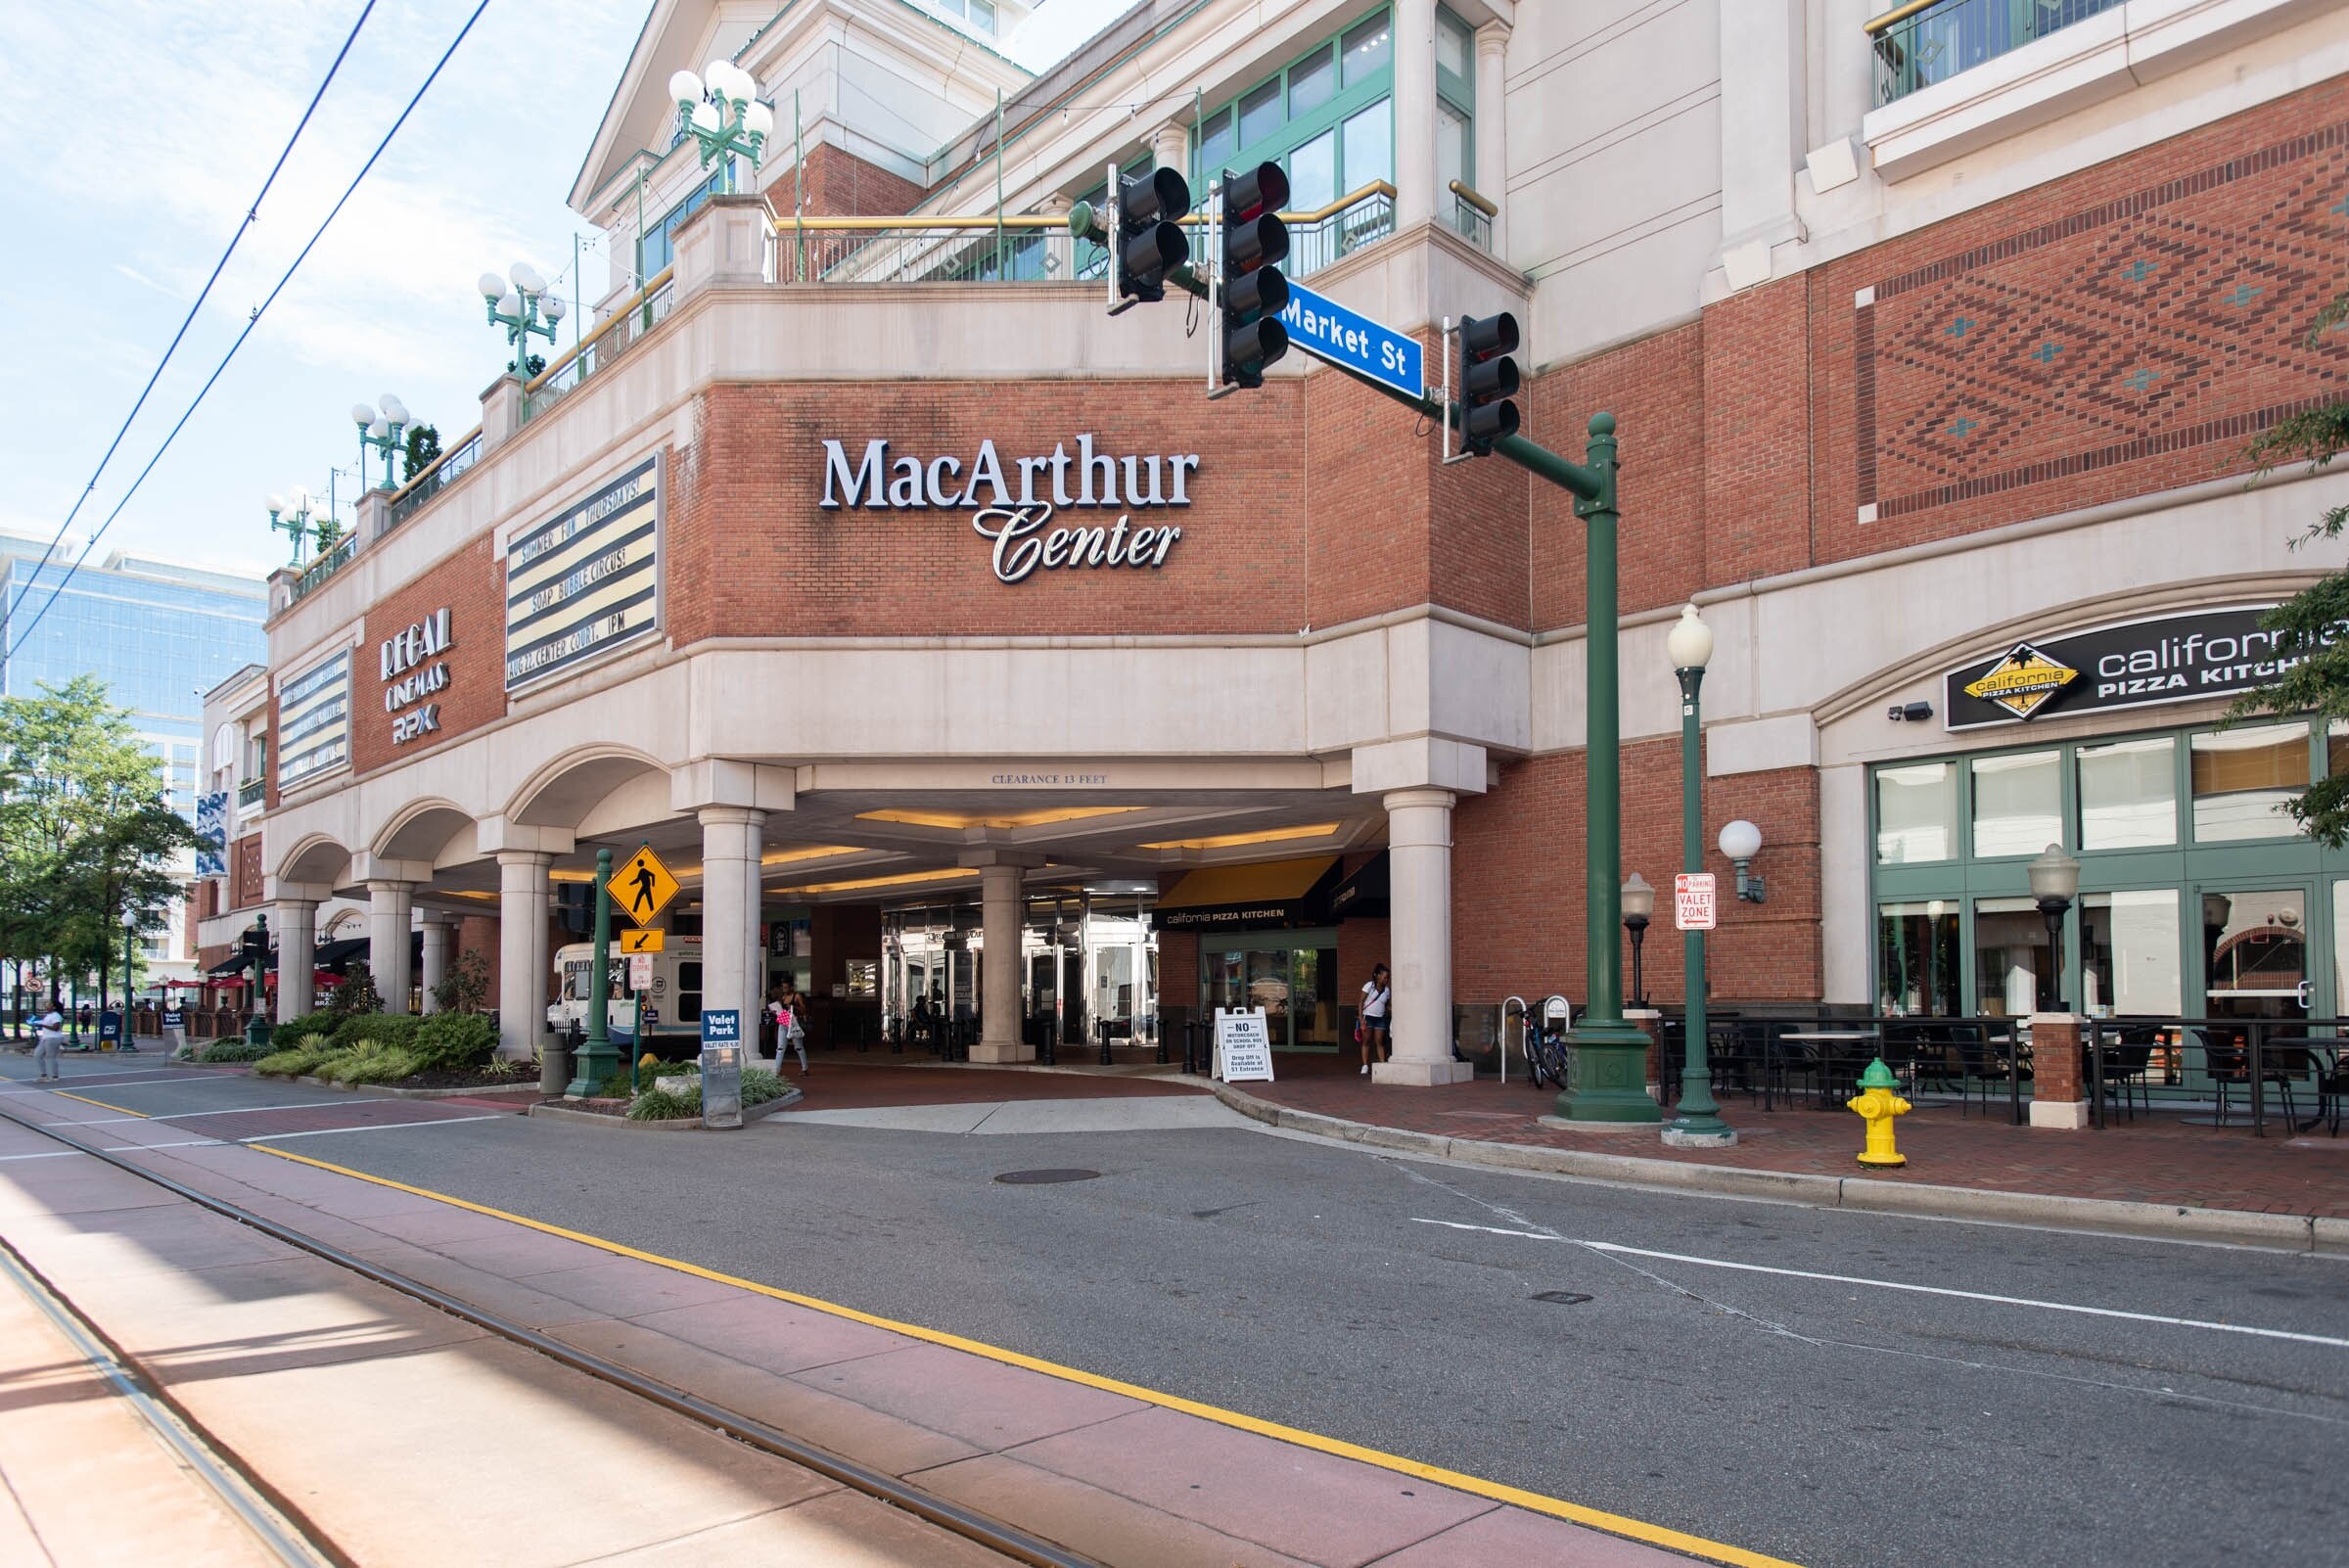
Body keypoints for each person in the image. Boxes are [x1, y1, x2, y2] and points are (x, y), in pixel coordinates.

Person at [1359, 964, 1391, 1076]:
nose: (1386, 980)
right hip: (1368, 1017)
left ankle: (1382, 1065)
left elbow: (1386, 1005)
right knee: (1366, 1041)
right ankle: (1365, 1065)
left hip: (1380, 1018)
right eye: (1384, 977)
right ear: (1377, 976)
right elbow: (1361, 1002)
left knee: (1379, 1041)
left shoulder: (1387, 990)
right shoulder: (1369, 986)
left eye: (1387, 978)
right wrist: (1361, 1019)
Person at [33, 1002, 67, 1082]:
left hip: (53, 1038)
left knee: (51, 1056)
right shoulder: (49, 1015)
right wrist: (37, 1025)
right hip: (45, 1037)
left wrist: (42, 1025)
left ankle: (55, 1076)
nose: (46, 1006)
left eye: (49, 1005)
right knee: (37, 1054)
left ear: (54, 1007)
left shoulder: (56, 1015)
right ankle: (43, 1075)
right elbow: (46, 1026)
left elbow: (56, 1028)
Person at [161, 992, 188, 1058]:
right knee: (178, 1030)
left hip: (177, 1021)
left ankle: (181, 1049)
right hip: (175, 1020)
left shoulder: (179, 1013)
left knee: (179, 1030)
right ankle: (180, 1049)